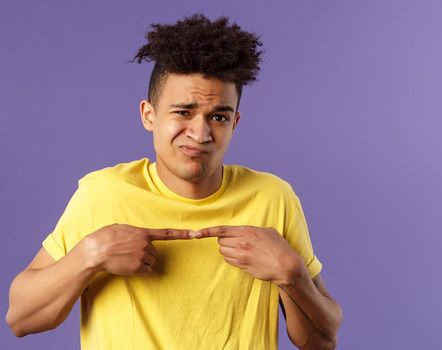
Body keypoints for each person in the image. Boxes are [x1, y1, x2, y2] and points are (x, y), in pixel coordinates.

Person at [5, 13, 342, 350]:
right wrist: (91, 255)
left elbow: (322, 340)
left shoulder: (273, 199)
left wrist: (292, 274)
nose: (200, 133)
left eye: (219, 117)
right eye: (183, 112)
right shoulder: (102, 195)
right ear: (148, 115)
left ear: (235, 123)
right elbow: (21, 319)